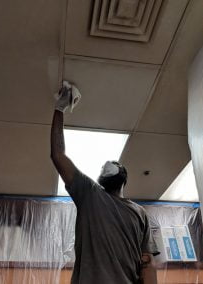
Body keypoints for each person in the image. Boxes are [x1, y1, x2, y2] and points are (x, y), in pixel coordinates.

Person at [51, 83, 159, 284]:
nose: (108, 165)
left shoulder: (140, 213)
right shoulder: (91, 194)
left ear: (124, 178)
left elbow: (147, 262)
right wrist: (59, 109)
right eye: (104, 166)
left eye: (115, 164)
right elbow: (58, 155)